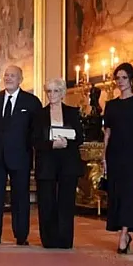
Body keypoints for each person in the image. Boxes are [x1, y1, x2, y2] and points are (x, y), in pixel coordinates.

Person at [0, 65, 42, 246]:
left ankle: (21, 236)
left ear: (20, 79)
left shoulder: (31, 102)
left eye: (12, 76)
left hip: (20, 156)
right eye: (6, 75)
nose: (8, 78)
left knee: (20, 197)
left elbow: (35, 129)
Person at [32, 77, 84, 249]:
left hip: (68, 162)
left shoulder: (72, 112)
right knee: (46, 201)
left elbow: (80, 137)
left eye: (56, 91)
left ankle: (64, 239)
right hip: (47, 162)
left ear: (62, 93)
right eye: (49, 91)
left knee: (66, 201)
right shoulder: (39, 114)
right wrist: (52, 144)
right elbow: (34, 140)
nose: (52, 94)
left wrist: (67, 142)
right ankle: (49, 239)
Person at [103, 62, 133, 253]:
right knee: (116, 192)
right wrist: (104, 158)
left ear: (131, 79)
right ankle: (123, 232)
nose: (120, 81)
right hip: (113, 153)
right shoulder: (110, 105)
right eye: (117, 78)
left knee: (128, 191)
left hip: (131, 152)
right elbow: (107, 134)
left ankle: (124, 234)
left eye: (123, 77)